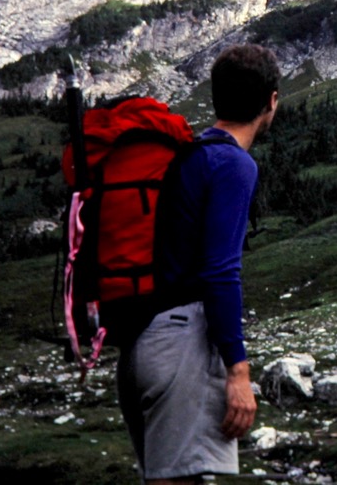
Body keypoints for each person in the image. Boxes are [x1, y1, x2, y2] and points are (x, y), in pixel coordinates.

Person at [116, 43, 280, 484]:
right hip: (183, 346)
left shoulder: (189, 155)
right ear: (271, 102)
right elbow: (221, 271)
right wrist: (238, 372)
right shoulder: (234, 164)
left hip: (140, 343)